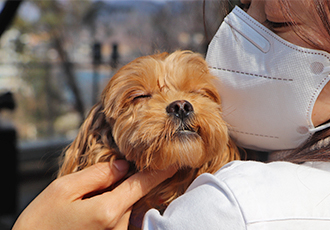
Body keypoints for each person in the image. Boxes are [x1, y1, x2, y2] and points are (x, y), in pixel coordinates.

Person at [13, 0, 330, 229]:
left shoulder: (229, 206)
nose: (180, 104)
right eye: (140, 96)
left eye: (198, 93)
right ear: (104, 132)